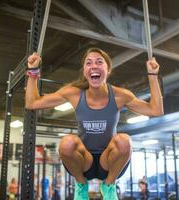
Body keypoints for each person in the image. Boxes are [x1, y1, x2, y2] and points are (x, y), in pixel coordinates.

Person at [25, 48, 163, 200]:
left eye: (99, 62)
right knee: (67, 143)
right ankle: (81, 185)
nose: (94, 66)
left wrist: (153, 75)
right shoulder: (74, 93)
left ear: (108, 69)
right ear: (85, 71)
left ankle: (109, 186)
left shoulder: (119, 95)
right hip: (84, 163)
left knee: (124, 141)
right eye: (88, 63)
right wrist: (33, 71)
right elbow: (32, 103)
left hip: (109, 162)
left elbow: (155, 110)